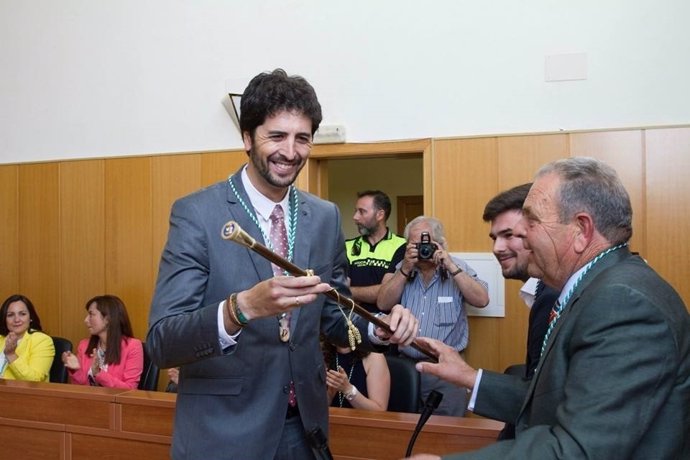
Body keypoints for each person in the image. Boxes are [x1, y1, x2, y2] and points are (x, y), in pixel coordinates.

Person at [146, 68, 419, 459]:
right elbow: (162, 342)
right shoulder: (197, 214)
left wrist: (380, 329)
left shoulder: (323, 217)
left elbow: (334, 313)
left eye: (302, 139)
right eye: (277, 136)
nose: (290, 152)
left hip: (304, 430)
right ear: (246, 138)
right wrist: (241, 310)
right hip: (224, 432)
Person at [407, 157, 690, 459]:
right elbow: (555, 402)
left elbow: (579, 449)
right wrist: (469, 376)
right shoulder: (596, 287)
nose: (523, 235)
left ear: (581, 230)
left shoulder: (622, 302)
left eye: (532, 221)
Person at [378, 216, 489, 416]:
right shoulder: (403, 270)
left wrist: (451, 266)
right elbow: (383, 303)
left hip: (445, 370)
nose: (422, 249)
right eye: (414, 244)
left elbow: (482, 299)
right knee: (405, 429)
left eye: (426, 243)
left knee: (447, 433)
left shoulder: (457, 267)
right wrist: (404, 269)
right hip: (406, 368)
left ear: (440, 244)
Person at [482, 183, 560, 439]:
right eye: (494, 238)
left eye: (509, 235)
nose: (497, 248)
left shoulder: (553, 295)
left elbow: (544, 401)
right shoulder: (542, 291)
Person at [62, 295, 143, 389]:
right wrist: (76, 370)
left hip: (115, 403)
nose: (86, 320)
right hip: (88, 402)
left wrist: (99, 374)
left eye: (91, 314)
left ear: (107, 319)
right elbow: (81, 388)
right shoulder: (84, 345)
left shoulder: (133, 346)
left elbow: (129, 390)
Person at [345, 190, 407, 313]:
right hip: (352, 322)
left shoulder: (402, 246)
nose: (355, 217)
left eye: (362, 211)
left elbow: (387, 295)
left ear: (380, 215)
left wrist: (352, 291)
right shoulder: (347, 246)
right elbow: (341, 292)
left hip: (386, 324)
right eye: (356, 211)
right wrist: (377, 291)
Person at [321, 336, 390, 411]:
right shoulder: (321, 355)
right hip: (331, 421)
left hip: (362, 421)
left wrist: (348, 390)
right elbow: (314, 411)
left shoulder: (374, 357)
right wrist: (330, 394)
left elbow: (379, 412)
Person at [0, 294, 55, 382]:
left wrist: (11, 355)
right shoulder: (1, 339)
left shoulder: (42, 341)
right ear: (4, 319)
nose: (17, 319)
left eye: (22, 314)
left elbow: (35, 380)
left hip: (23, 394)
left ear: (30, 318)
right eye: (10, 315)